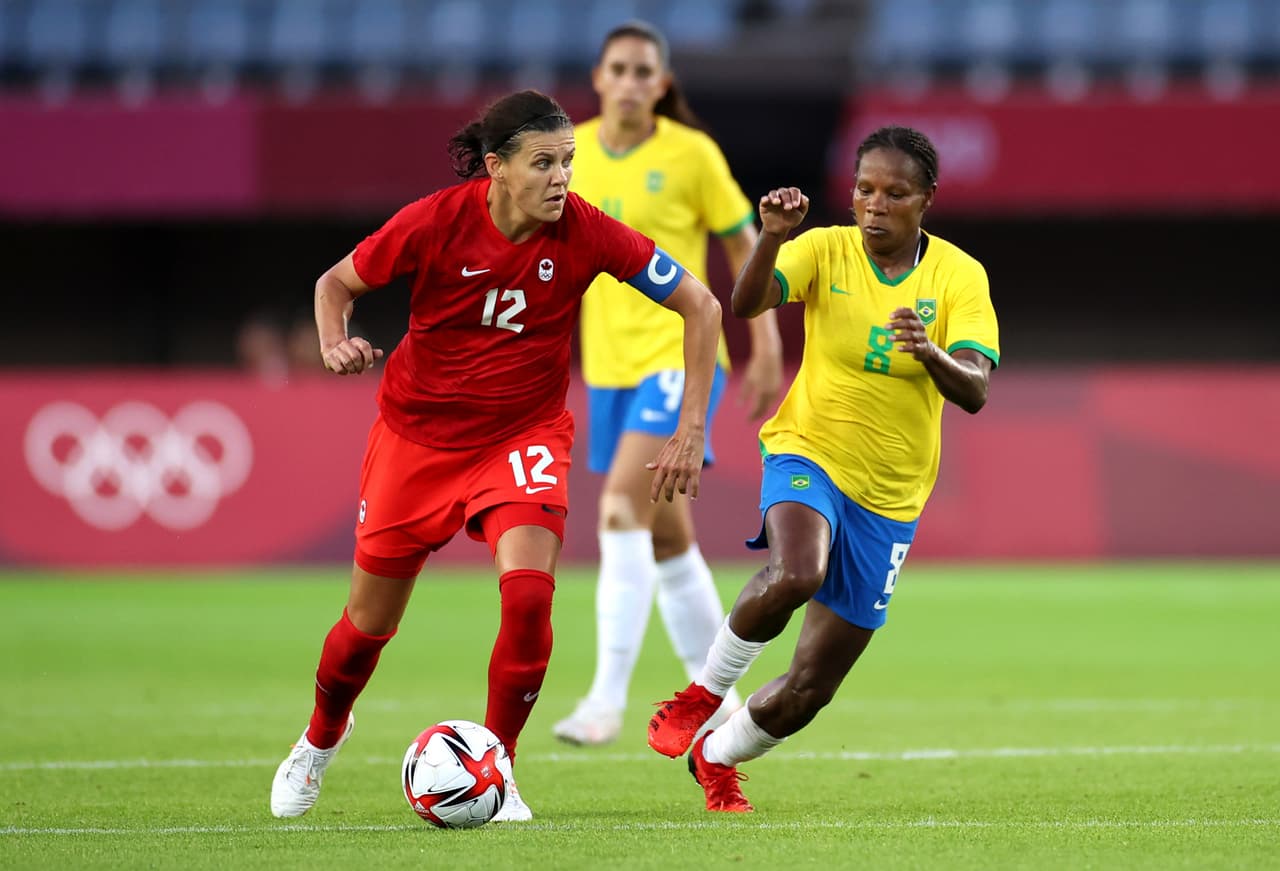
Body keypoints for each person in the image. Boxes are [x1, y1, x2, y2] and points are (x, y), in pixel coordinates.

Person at [268, 89, 722, 823]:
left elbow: (700, 305)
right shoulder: (436, 221)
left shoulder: (587, 231)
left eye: (569, 162)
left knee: (530, 594)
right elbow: (335, 284)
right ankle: (320, 739)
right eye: (543, 163)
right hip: (416, 440)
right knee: (365, 628)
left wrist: (693, 425)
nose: (562, 178)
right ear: (496, 168)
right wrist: (332, 340)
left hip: (523, 435)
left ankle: (498, 765)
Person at [646, 126, 1000, 812]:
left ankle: (716, 756)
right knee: (797, 570)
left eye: (894, 193)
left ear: (926, 199)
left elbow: (977, 389)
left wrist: (931, 354)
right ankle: (702, 692)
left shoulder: (960, 276)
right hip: (807, 449)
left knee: (810, 690)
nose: (874, 205)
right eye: (864, 189)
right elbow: (746, 305)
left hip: (892, 495)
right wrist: (771, 236)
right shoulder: (824, 247)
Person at [552, 20, 783, 747]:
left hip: (678, 359)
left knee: (621, 503)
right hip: (609, 366)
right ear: (597, 77)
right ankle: (719, 696)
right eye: (616, 68)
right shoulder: (572, 153)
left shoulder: (691, 154)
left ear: (662, 83)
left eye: (642, 70)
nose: (628, 81)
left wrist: (767, 337)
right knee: (666, 534)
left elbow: (744, 240)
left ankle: (603, 700)